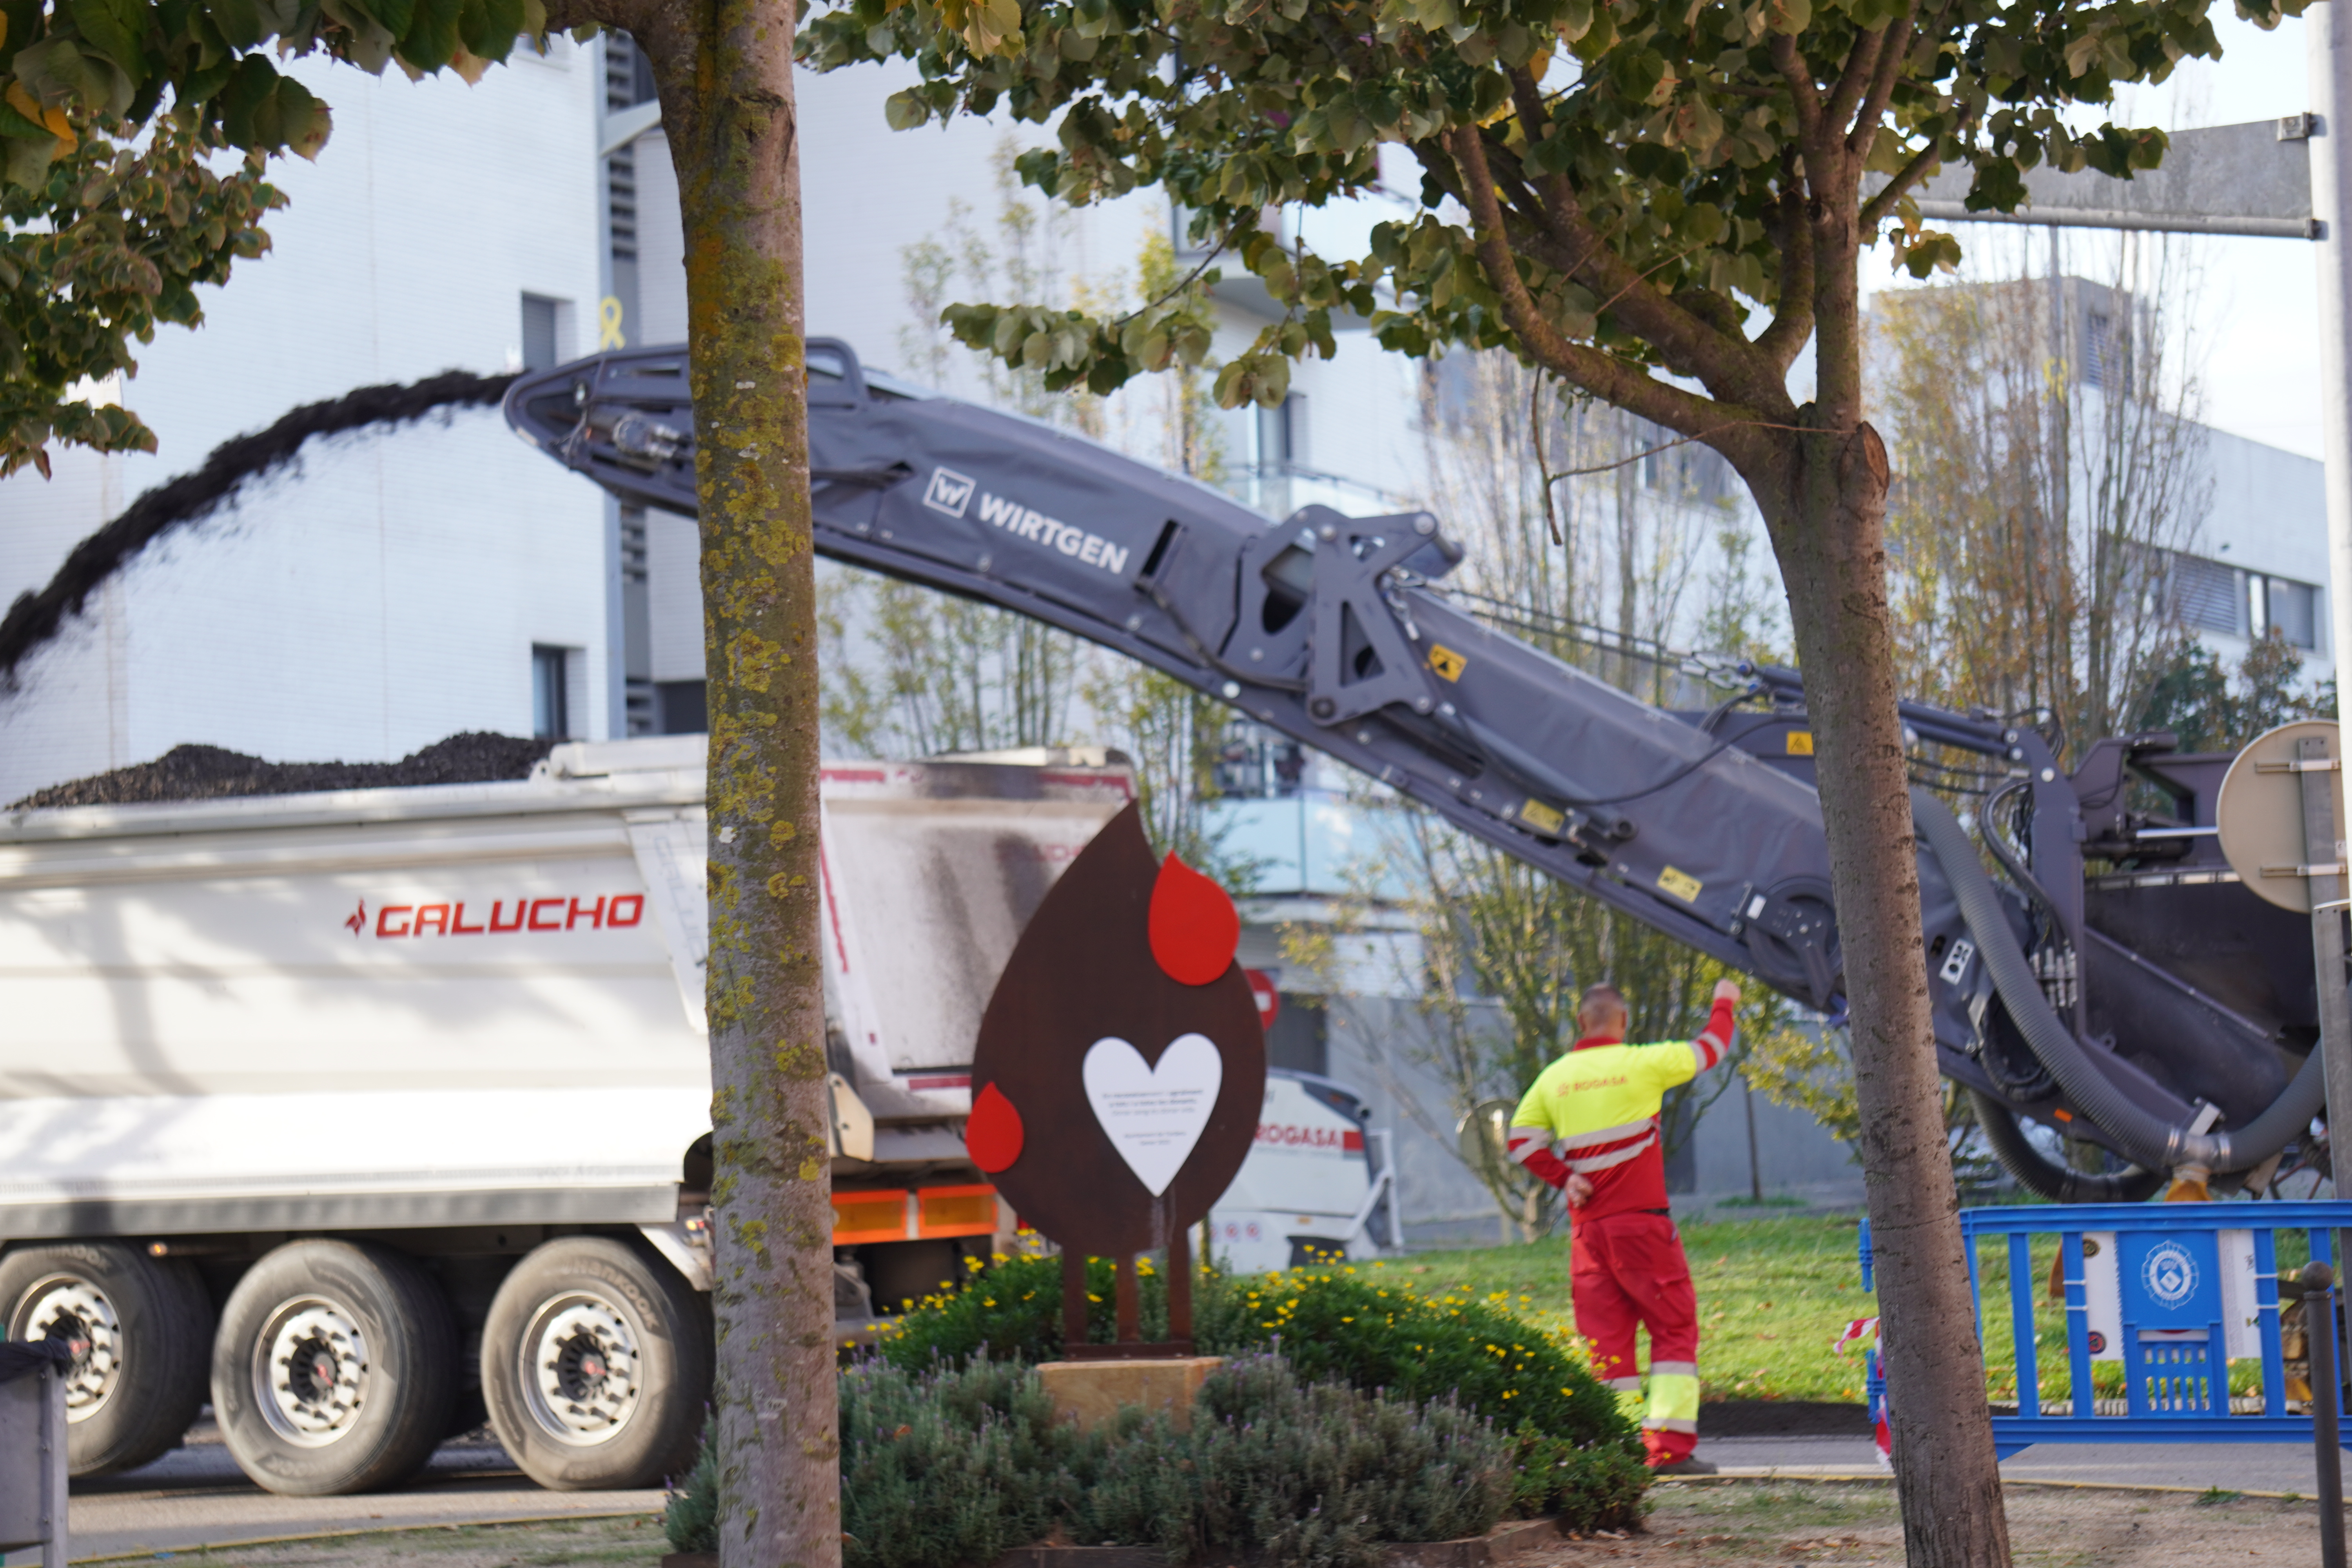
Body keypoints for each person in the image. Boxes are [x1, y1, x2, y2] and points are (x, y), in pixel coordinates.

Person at [1506, 976, 1739, 1474]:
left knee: (1606, 1342)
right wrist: (1725, 999)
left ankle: (1617, 1449)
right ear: (1624, 1023)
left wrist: (1565, 1176)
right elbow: (1711, 1048)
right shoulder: (1644, 1063)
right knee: (1673, 1328)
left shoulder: (1555, 1077)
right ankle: (1669, 1451)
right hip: (1642, 1227)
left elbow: (1521, 1139)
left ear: (1580, 1022)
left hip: (1589, 1236)